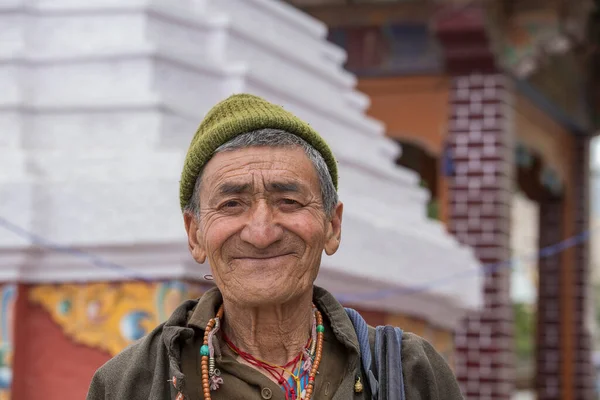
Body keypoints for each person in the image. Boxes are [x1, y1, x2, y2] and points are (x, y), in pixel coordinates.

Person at [86, 94, 464, 400]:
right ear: (195, 234)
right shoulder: (131, 383)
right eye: (232, 204)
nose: (262, 232)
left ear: (332, 226)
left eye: (289, 202)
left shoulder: (408, 371)